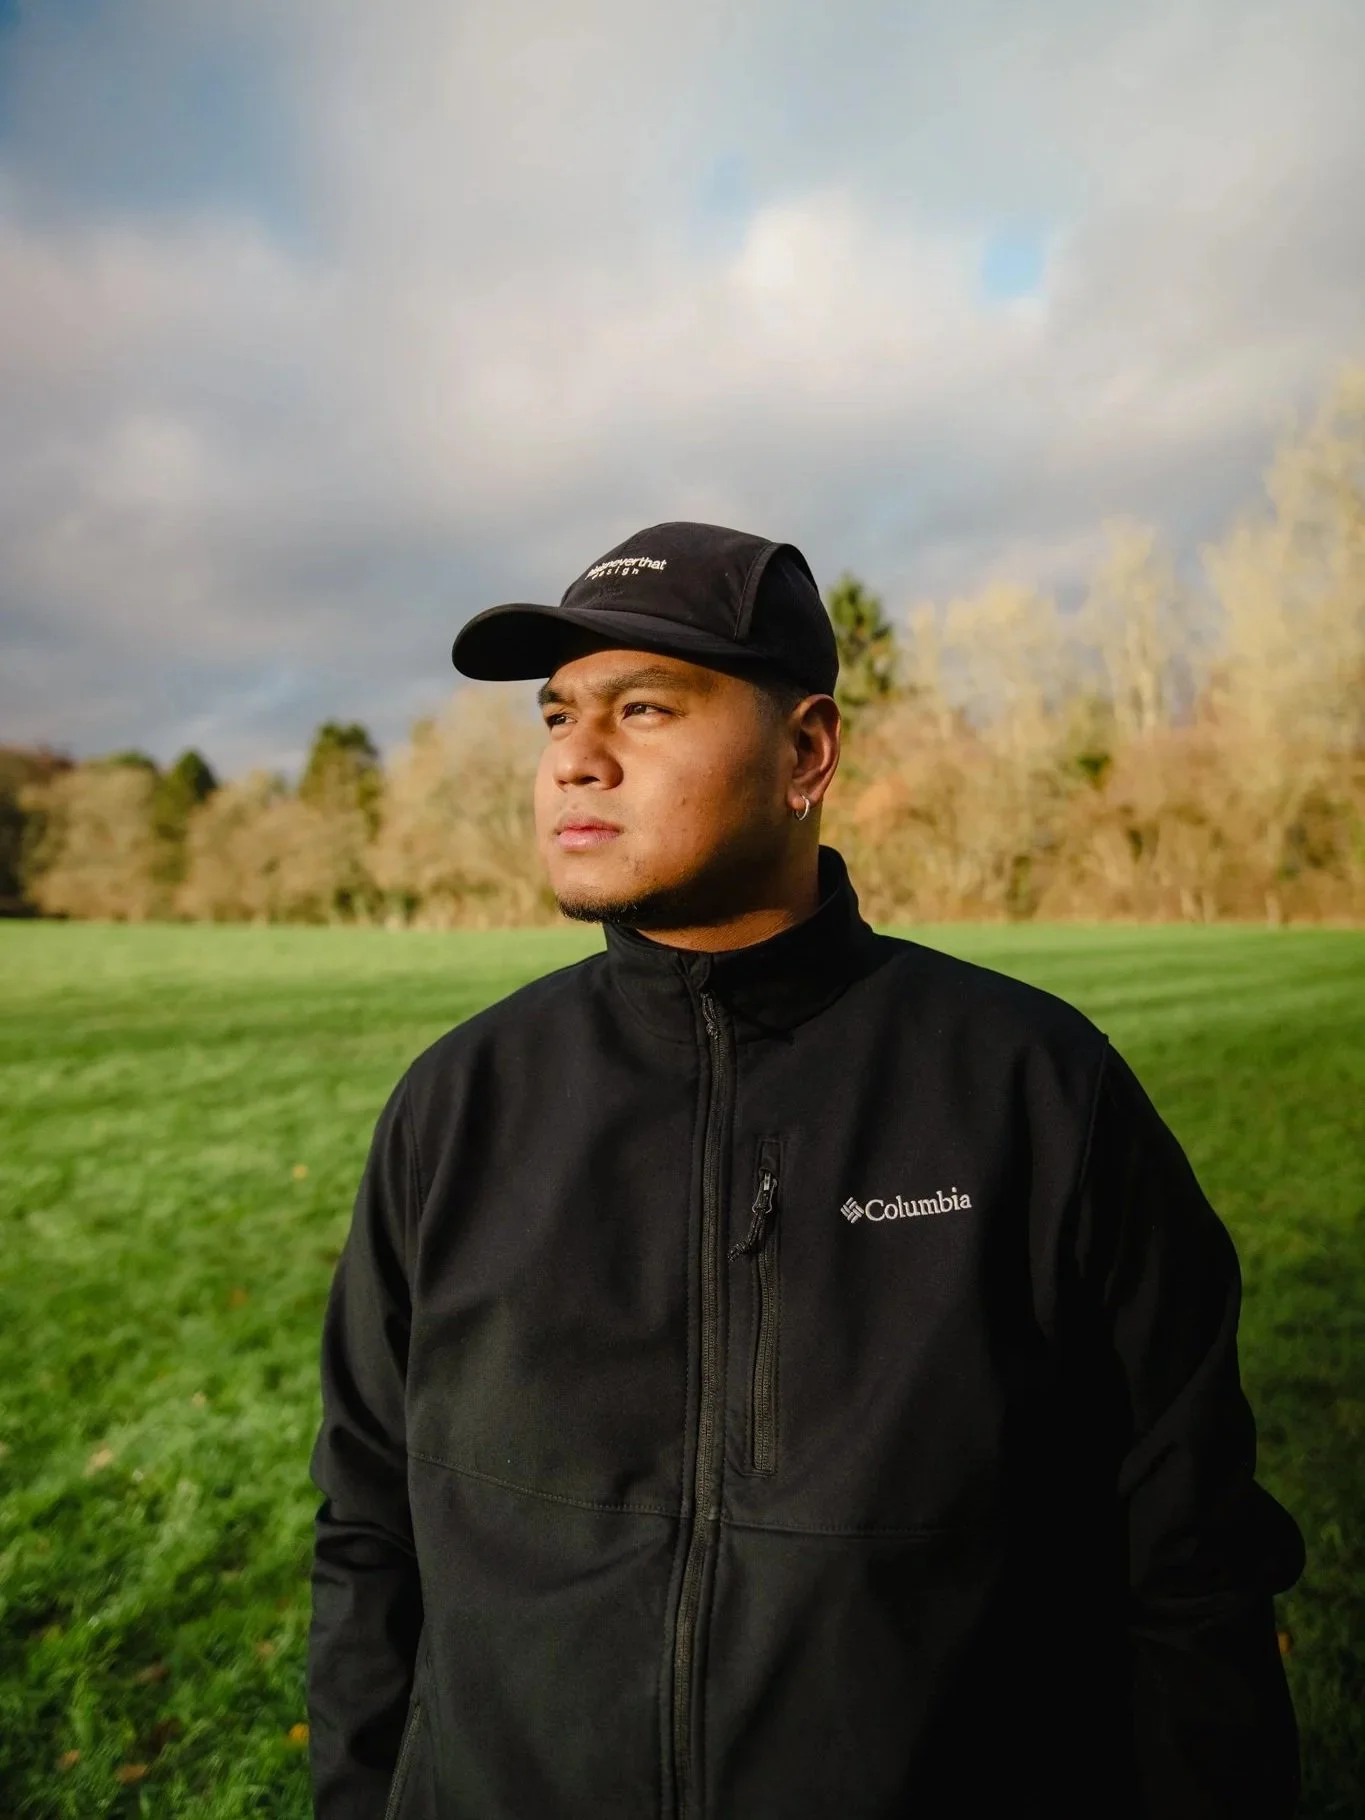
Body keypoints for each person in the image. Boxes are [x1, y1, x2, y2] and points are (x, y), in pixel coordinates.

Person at [306, 521, 1304, 1820]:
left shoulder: (1034, 1093)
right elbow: (368, 1536)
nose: (574, 762)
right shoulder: (459, 1105)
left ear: (807, 751)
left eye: (644, 708)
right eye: (554, 719)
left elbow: (1191, 1570)